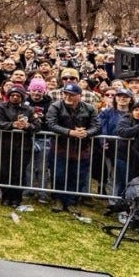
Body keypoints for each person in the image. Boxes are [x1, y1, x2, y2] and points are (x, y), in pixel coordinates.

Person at [45, 83, 100, 214]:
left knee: (78, 176)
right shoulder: (56, 106)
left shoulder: (89, 108)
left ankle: (72, 201)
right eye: (66, 94)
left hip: (81, 149)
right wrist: (69, 132)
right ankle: (58, 199)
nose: (68, 97)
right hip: (60, 147)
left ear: (79, 96)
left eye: (72, 95)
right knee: (58, 175)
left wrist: (86, 133)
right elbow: (50, 124)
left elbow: (97, 126)